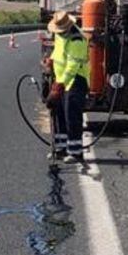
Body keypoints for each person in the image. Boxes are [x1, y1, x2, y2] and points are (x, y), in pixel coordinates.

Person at [47, 9, 89, 163]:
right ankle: (60, 148)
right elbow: (57, 52)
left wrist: (59, 86)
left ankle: (75, 151)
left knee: (72, 116)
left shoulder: (77, 40)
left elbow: (72, 66)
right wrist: (50, 61)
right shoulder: (60, 35)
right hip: (61, 79)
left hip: (75, 81)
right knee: (59, 114)